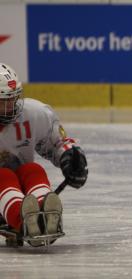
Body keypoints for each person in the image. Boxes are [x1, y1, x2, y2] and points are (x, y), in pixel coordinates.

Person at [0, 63, 88, 246]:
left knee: (33, 169)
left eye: (12, 99)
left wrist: (69, 157)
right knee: (4, 175)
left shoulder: (33, 115)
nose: (10, 107)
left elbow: (57, 143)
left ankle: (42, 219)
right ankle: (24, 222)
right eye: (3, 101)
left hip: (20, 194)